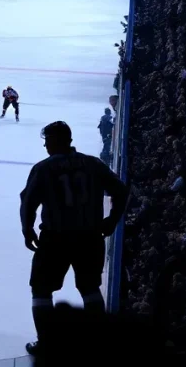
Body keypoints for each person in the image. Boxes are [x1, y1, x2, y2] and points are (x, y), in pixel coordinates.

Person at [19, 121, 128, 355]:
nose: (45, 145)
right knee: (90, 288)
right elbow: (121, 190)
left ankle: (46, 342)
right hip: (89, 237)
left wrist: (27, 229)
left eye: (47, 140)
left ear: (58, 140)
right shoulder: (93, 164)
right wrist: (112, 220)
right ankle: (98, 341)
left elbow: (28, 201)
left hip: (55, 238)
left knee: (41, 289)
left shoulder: (44, 168)